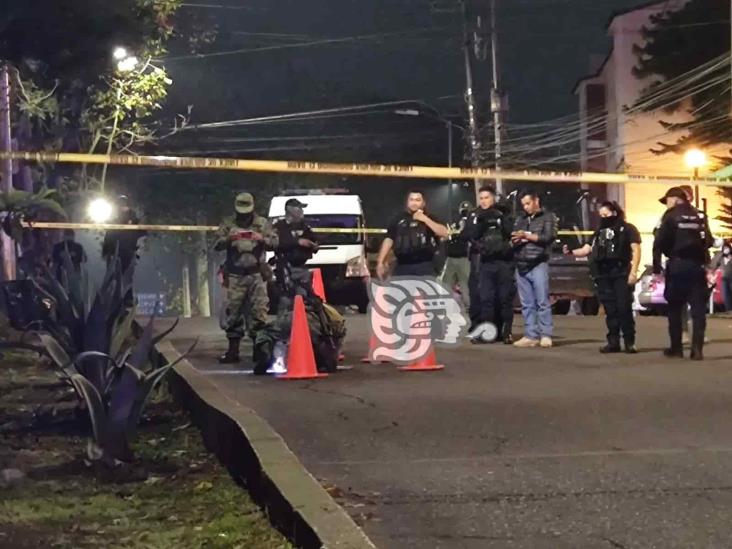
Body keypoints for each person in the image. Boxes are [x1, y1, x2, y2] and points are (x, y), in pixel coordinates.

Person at [564, 202, 641, 353]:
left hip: (621, 272)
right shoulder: (598, 232)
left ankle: (629, 342)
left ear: (615, 212)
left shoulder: (628, 229)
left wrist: (634, 272)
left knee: (623, 307)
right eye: (601, 216)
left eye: (606, 214)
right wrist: (571, 252)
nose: (604, 218)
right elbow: (586, 249)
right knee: (610, 309)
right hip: (603, 273)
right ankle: (613, 342)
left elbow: (636, 249)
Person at [215, 192, 278, 365]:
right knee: (232, 313)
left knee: (259, 313)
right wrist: (229, 239)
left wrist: (261, 239)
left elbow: (275, 243)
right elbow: (217, 244)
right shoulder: (228, 223)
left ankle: (260, 351)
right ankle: (233, 351)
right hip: (235, 275)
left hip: (256, 274)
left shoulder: (262, 224)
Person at [653, 186, 714, 360]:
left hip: (678, 265)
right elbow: (708, 240)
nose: (667, 205)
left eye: (667, 201)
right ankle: (697, 349)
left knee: (675, 307)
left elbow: (660, 241)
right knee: (698, 310)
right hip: (697, 266)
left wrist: (659, 265)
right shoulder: (700, 216)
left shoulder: (670, 216)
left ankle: (676, 347)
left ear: (675, 199)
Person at [464, 185, 515, 344]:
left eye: (487, 197)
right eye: (481, 198)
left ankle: (506, 333)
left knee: (504, 299)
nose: (484, 201)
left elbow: (511, 233)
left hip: (504, 261)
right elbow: (469, 235)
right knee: (485, 299)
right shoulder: (475, 215)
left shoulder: (503, 213)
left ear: (493, 198)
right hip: (484, 261)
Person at [511, 190, 557, 348]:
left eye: (528, 203)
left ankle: (546, 334)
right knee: (527, 303)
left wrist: (527, 236)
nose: (526, 207)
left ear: (536, 201)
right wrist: (516, 239)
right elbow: (514, 237)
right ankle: (531, 335)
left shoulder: (548, 217)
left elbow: (549, 237)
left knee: (542, 301)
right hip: (521, 264)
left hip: (538, 263)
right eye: (523, 204)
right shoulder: (520, 219)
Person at [377, 190, 448, 279]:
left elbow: (445, 233)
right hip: (402, 266)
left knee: (427, 292)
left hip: (425, 266)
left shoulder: (430, 217)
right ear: (407, 202)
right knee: (399, 292)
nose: (414, 203)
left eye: (418, 200)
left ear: (423, 203)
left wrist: (425, 219)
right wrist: (380, 262)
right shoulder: (398, 219)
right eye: (412, 200)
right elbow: (389, 240)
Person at [273, 198, 319, 310]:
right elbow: (275, 243)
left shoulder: (305, 226)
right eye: (299, 208)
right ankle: (284, 323)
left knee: (304, 297)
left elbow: (315, 240)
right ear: (290, 210)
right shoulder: (279, 226)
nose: (302, 211)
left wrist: (313, 245)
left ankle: (303, 323)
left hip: (302, 268)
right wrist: (297, 242)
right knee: (286, 299)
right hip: (285, 267)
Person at [440, 201, 472, 309]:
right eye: (463, 210)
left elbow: (466, 235)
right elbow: (446, 236)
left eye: (466, 210)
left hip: (464, 257)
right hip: (451, 257)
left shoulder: (471, 221)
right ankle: (447, 308)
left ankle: (468, 309)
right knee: (445, 284)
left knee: (465, 287)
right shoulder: (455, 222)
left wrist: (454, 235)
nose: (464, 212)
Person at [101, 195, 145, 272]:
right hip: (115, 252)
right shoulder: (114, 222)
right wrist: (105, 251)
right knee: (114, 273)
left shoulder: (134, 220)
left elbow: (142, 233)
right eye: (120, 204)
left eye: (124, 204)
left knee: (125, 274)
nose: (122, 206)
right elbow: (108, 236)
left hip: (127, 251)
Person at [711, 241, 732, 311]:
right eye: (724, 248)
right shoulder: (721, 257)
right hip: (724, 279)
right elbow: (713, 265)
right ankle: (729, 310)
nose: (726, 249)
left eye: (727, 248)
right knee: (725, 296)